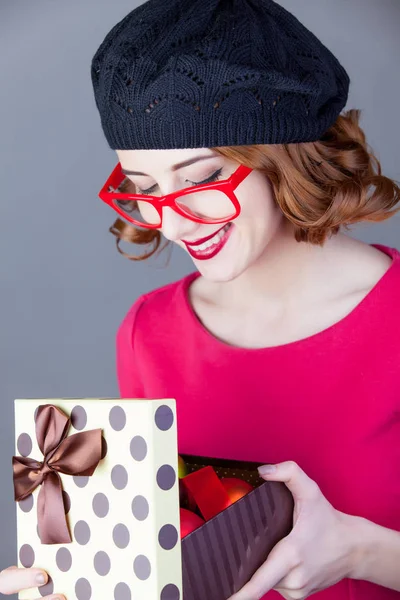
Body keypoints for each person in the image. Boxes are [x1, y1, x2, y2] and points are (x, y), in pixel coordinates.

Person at [1, 0, 399, 599]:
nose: (172, 223)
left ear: (282, 157)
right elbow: (176, 563)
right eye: (144, 189)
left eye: (200, 178)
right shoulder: (148, 334)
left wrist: (360, 550)